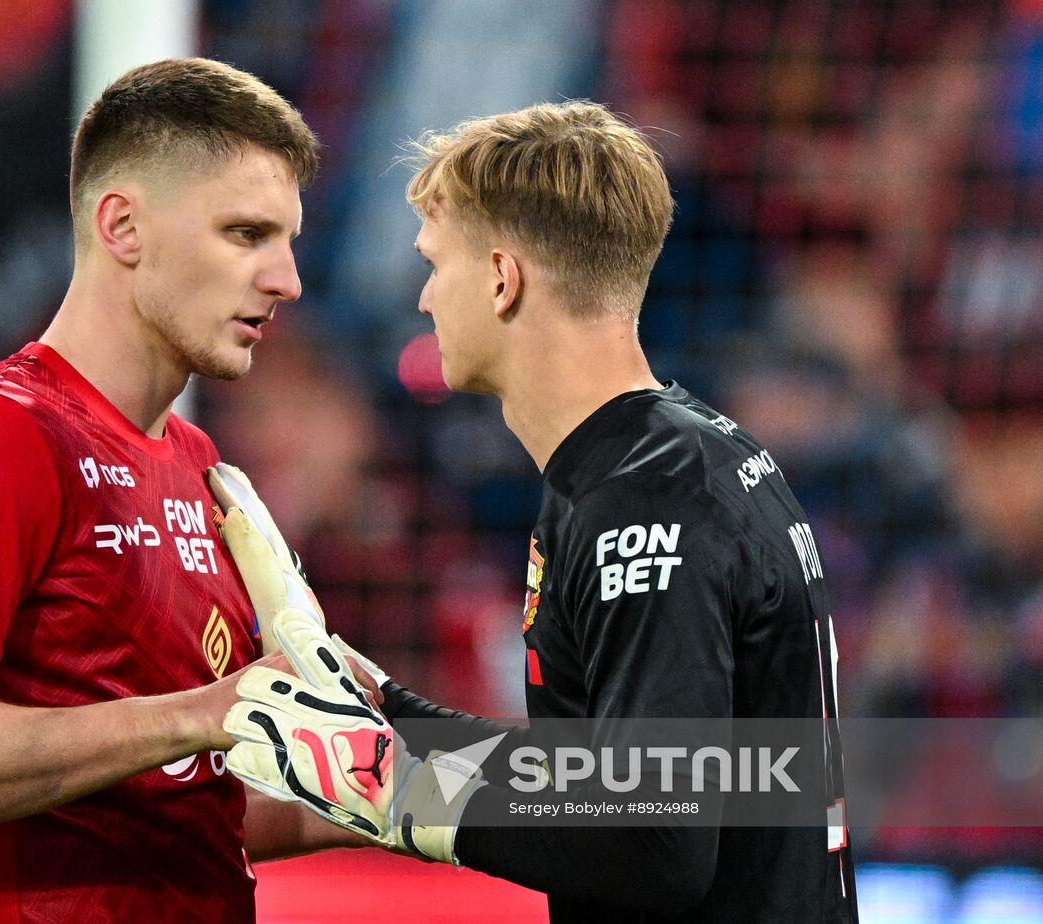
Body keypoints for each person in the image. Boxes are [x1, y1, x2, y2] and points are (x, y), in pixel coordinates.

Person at [222, 100, 859, 922]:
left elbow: (654, 843)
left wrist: (394, 784)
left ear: (501, 277)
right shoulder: (667, 460)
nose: (422, 300)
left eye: (435, 264)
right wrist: (383, 706)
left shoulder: (646, 506)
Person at [0, 58, 367, 922]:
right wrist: (201, 712)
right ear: (122, 226)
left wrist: (496, 784)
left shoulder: (200, 464)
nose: (286, 280)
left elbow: (188, 799)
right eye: (245, 234)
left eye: (288, 241)